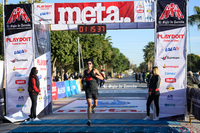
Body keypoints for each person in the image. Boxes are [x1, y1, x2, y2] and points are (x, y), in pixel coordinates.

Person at [82, 59, 103, 126]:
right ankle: (89, 120)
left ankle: (93, 107)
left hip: (94, 89)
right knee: (88, 104)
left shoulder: (95, 70)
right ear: (86, 65)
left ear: (92, 64)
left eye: (90, 63)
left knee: (95, 104)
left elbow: (102, 78)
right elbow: (83, 79)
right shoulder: (85, 72)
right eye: (87, 63)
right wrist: (83, 82)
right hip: (88, 90)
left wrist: (95, 75)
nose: (89, 65)